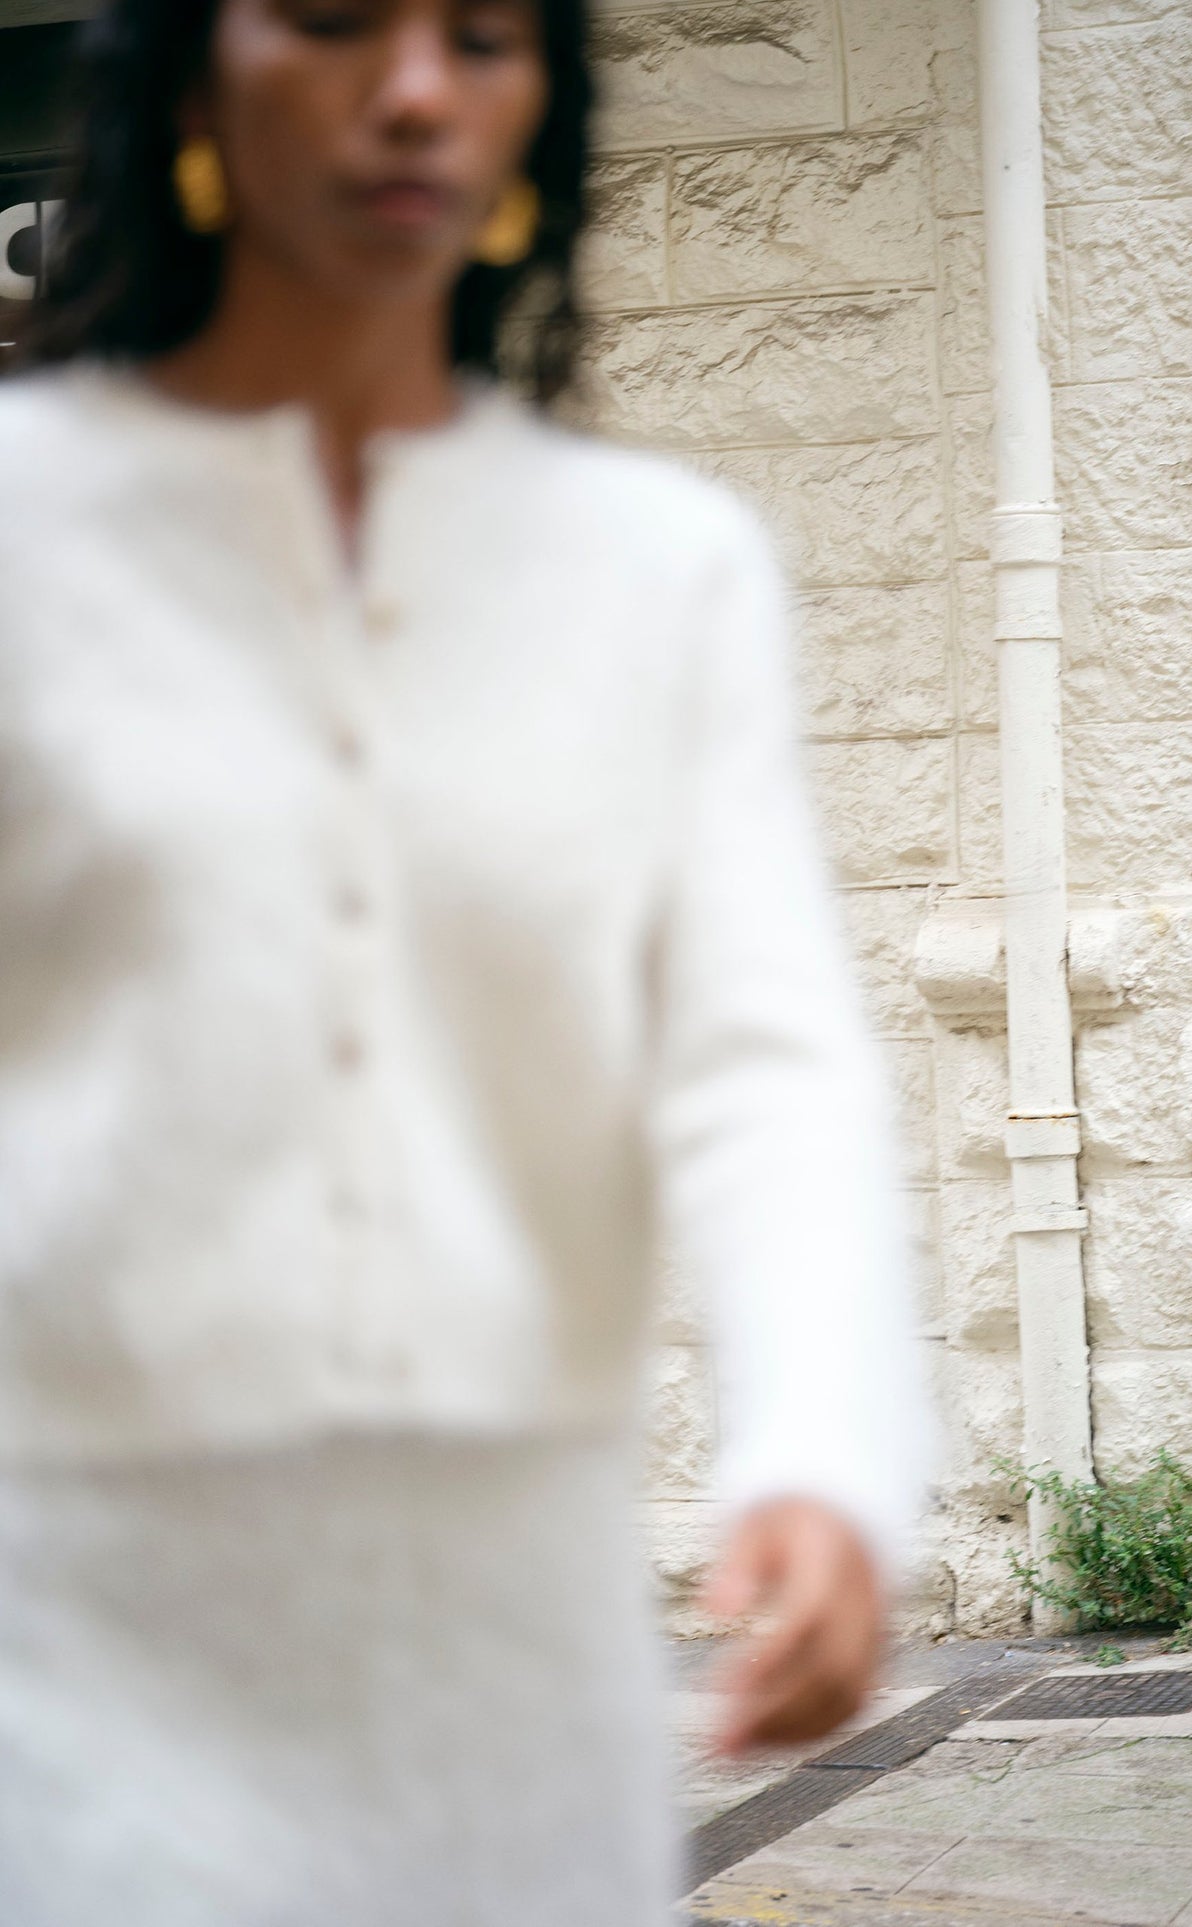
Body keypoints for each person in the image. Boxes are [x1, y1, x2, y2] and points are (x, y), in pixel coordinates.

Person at [0, 1, 924, 1921]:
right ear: (187, 76)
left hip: (516, 1668)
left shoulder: (659, 572)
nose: (414, 88)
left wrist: (823, 1456)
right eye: (334, 18)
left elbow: (761, 1064)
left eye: (485, 35)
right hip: (69, 1635)